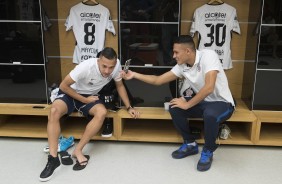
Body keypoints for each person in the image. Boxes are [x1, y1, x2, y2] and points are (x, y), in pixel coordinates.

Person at [121, 35, 235, 171]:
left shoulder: (208, 56)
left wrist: (187, 103)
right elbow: (158, 80)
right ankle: (190, 143)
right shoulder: (182, 66)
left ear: (188, 51)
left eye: (176, 52)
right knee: (174, 107)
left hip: (222, 103)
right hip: (203, 103)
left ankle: (208, 151)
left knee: (210, 114)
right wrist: (134, 75)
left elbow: (209, 87)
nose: (173, 56)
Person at [39, 47, 140, 181]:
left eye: (111, 67)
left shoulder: (116, 66)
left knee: (102, 112)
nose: (107, 71)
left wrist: (129, 107)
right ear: (98, 61)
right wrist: (84, 99)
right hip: (70, 94)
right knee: (54, 111)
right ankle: (52, 159)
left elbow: (120, 85)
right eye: (104, 66)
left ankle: (78, 150)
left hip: (89, 96)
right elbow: (64, 86)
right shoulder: (86, 67)